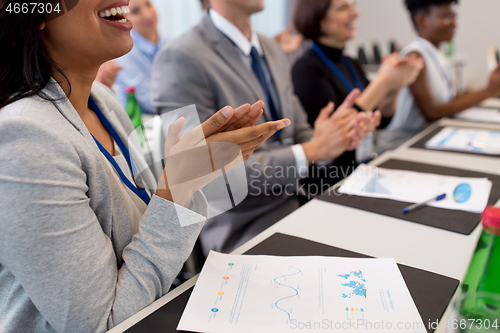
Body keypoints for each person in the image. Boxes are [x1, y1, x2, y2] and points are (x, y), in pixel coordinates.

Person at [0, 0, 290, 331]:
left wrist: (192, 172)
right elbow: (102, 324)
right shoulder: (24, 138)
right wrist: (178, 186)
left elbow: (158, 221)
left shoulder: (102, 101)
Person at [151, 0, 382, 254]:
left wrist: (337, 136)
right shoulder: (181, 56)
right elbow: (206, 177)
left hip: (303, 204)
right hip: (244, 225)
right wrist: (311, 151)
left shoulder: (271, 48)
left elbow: (300, 133)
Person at [292, 0, 423, 160]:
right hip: (332, 174)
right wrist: (383, 82)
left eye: (353, 5)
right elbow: (338, 131)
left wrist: (394, 86)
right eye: (343, 8)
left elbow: (381, 119)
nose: (355, 13)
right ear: (319, 19)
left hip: (363, 162)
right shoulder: (305, 69)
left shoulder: (350, 61)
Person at [387, 0, 500, 135]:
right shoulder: (414, 56)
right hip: (404, 141)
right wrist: (488, 92)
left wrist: (491, 89)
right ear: (422, 20)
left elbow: (452, 99)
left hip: (430, 135)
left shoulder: (437, 54)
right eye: (446, 16)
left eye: (454, 16)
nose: (454, 22)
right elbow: (431, 112)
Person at [97, 0, 170, 114]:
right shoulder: (124, 52)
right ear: (125, 18)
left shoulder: (172, 43)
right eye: (136, 11)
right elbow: (149, 101)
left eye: (148, 4)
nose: (147, 15)